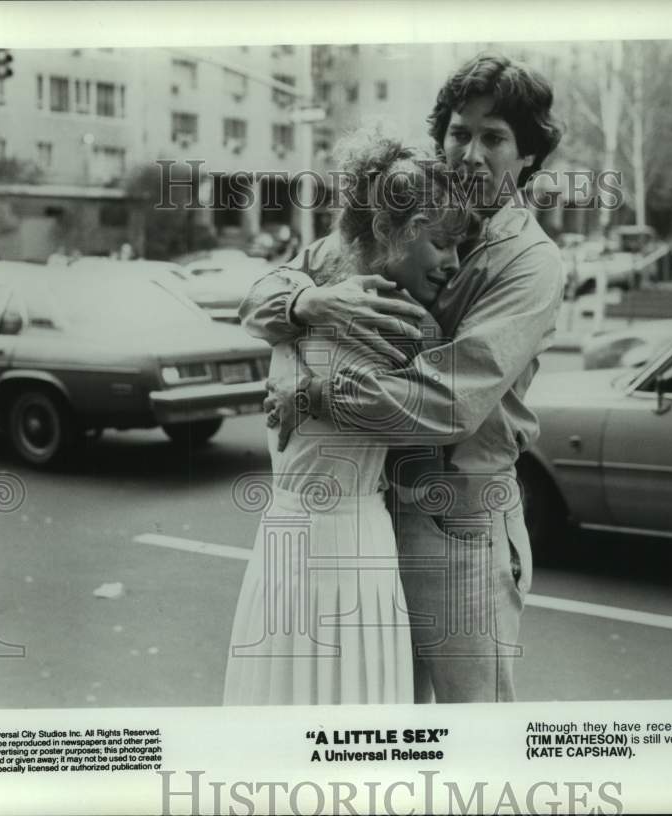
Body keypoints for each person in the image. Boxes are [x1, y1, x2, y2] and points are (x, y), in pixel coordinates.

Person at [240, 53, 565, 703]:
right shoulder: (404, 214)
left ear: (527, 157)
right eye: (458, 133)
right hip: (376, 510)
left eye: (494, 138)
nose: (471, 154)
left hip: (458, 522)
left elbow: (449, 402)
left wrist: (316, 393)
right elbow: (261, 297)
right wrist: (308, 304)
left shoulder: (530, 264)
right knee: (391, 716)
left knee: (471, 726)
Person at [223, 131, 474, 706]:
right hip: (349, 540)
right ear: (391, 233)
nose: (453, 264)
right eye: (440, 243)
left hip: (286, 535)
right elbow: (425, 412)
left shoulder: (307, 293)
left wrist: (309, 389)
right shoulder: (404, 324)